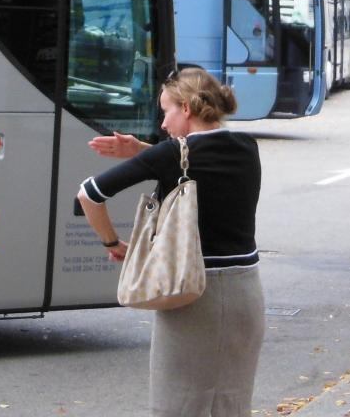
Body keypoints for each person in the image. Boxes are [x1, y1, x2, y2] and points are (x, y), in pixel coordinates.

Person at [78, 68, 264, 417]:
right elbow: (200, 166)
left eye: (166, 111)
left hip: (192, 294)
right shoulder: (246, 146)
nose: (163, 124)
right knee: (231, 405)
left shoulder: (168, 154)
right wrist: (142, 151)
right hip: (245, 293)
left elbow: (89, 195)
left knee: (176, 406)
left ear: (187, 108)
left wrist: (112, 243)